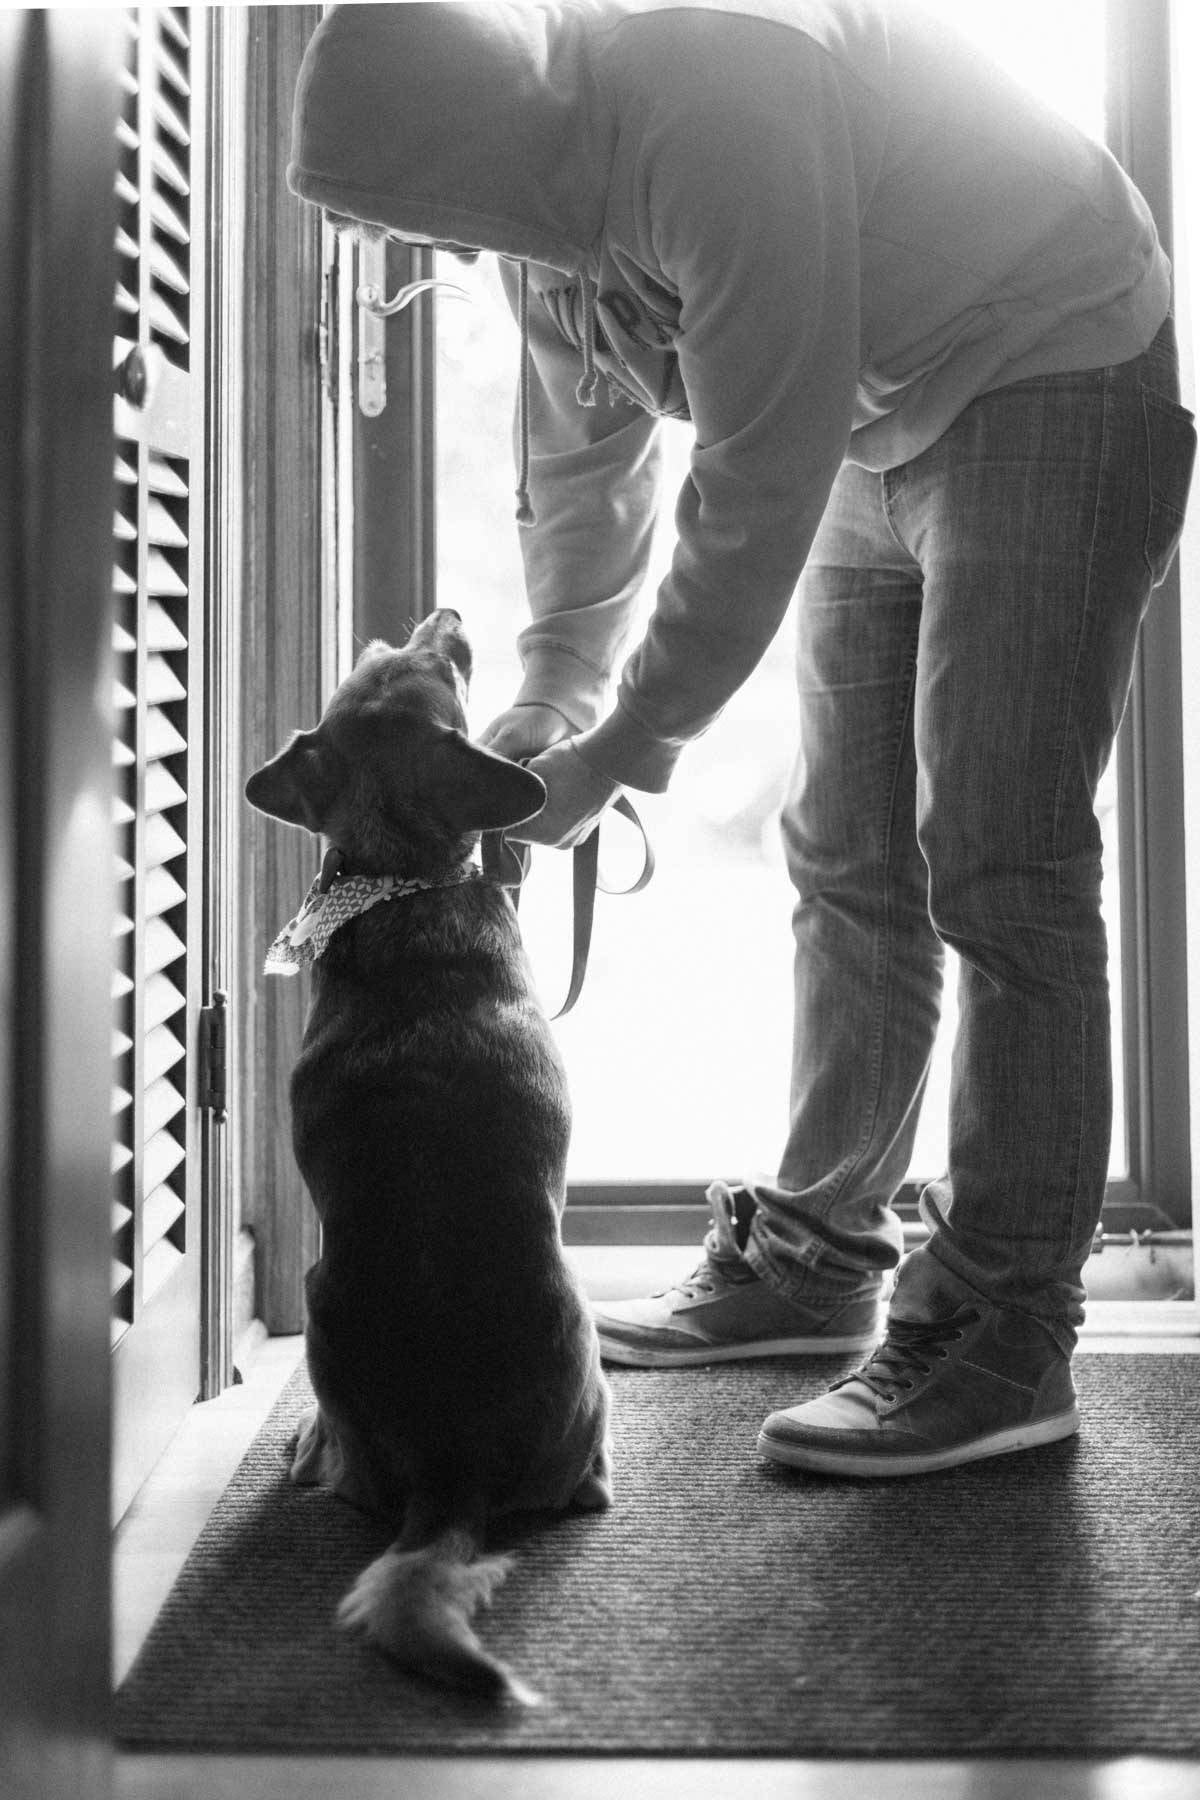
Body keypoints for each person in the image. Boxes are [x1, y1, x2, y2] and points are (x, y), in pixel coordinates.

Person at [288, 1, 1195, 1478]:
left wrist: (625, 747)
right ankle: (822, 1256)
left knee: (998, 859)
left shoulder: (709, 92)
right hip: (882, 409)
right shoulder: (543, 231)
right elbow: (587, 490)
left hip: (1055, 362)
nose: (442, 255)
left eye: (424, 215)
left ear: (472, 149)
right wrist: (549, 707)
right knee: (844, 851)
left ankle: (1002, 1337)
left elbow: (754, 476)